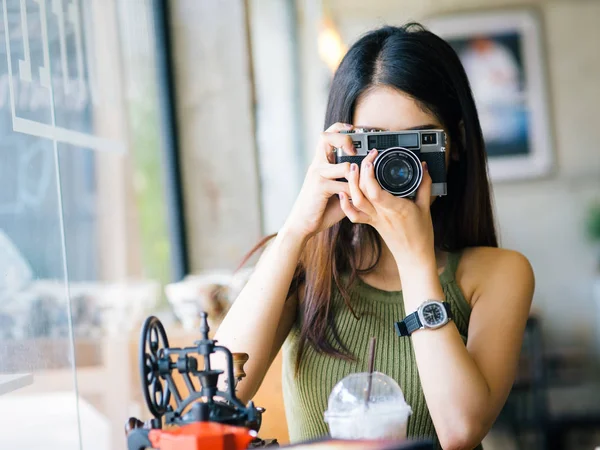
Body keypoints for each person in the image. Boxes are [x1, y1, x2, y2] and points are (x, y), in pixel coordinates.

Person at [215, 23, 534, 450]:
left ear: (454, 145)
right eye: (376, 144)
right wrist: (296, 230)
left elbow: (460, 431)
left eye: (417, 142)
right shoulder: (308, 267)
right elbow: (218, 395)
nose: (396, 164)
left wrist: (415, 259)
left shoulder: (499, 274)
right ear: (344, 146)